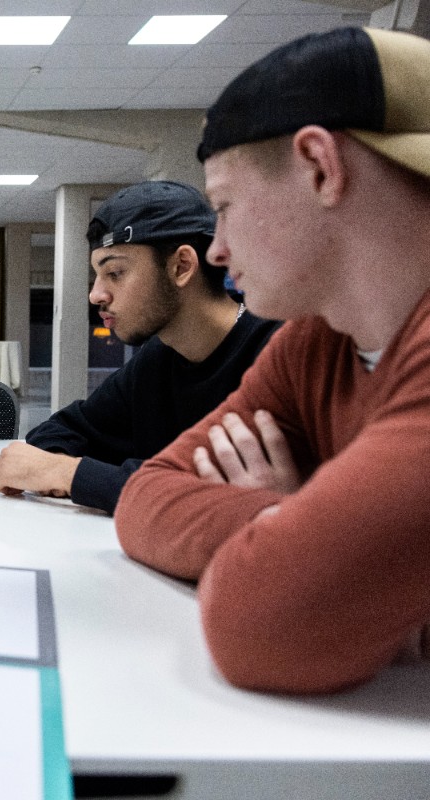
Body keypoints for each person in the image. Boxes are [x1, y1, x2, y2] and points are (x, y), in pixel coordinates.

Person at [115, 27, 430, 694]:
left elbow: (263, 625)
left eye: (224, 207)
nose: (218, 250)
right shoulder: (317, 340)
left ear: (320, 166)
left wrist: (314, 554)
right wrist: (299, 525)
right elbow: (145, 495)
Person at [0, 181, 279, 513]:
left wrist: (70, 474)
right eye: (98, 275)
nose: (96, 295)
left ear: (181, 266)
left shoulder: (276, 352)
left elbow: (216, 496)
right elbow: (62, 430)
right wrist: (57, 469)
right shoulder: (158, 359)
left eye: (115, 272)